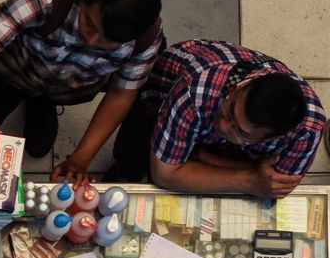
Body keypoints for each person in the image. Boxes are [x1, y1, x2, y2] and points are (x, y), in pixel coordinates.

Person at [0, 0, 163, 182]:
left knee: (40, 133)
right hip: (14, 72)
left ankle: (41, 105)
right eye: (89, 23)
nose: (92, 40)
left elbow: (120, 95)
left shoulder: (145, 39)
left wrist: (81, 158)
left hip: (68, 88)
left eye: (110, 41)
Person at [103, 39, 326, 198]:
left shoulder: (308, 130)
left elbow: (272, 186)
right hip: (158, 102)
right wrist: (249, 178)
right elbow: (165, 175)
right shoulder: (195, 92)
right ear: (245, 85)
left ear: (275, 137)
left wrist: (198, 157)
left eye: (241, 133)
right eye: (229, 110)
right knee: (132, 156)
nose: (222, 125)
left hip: (197, 134)